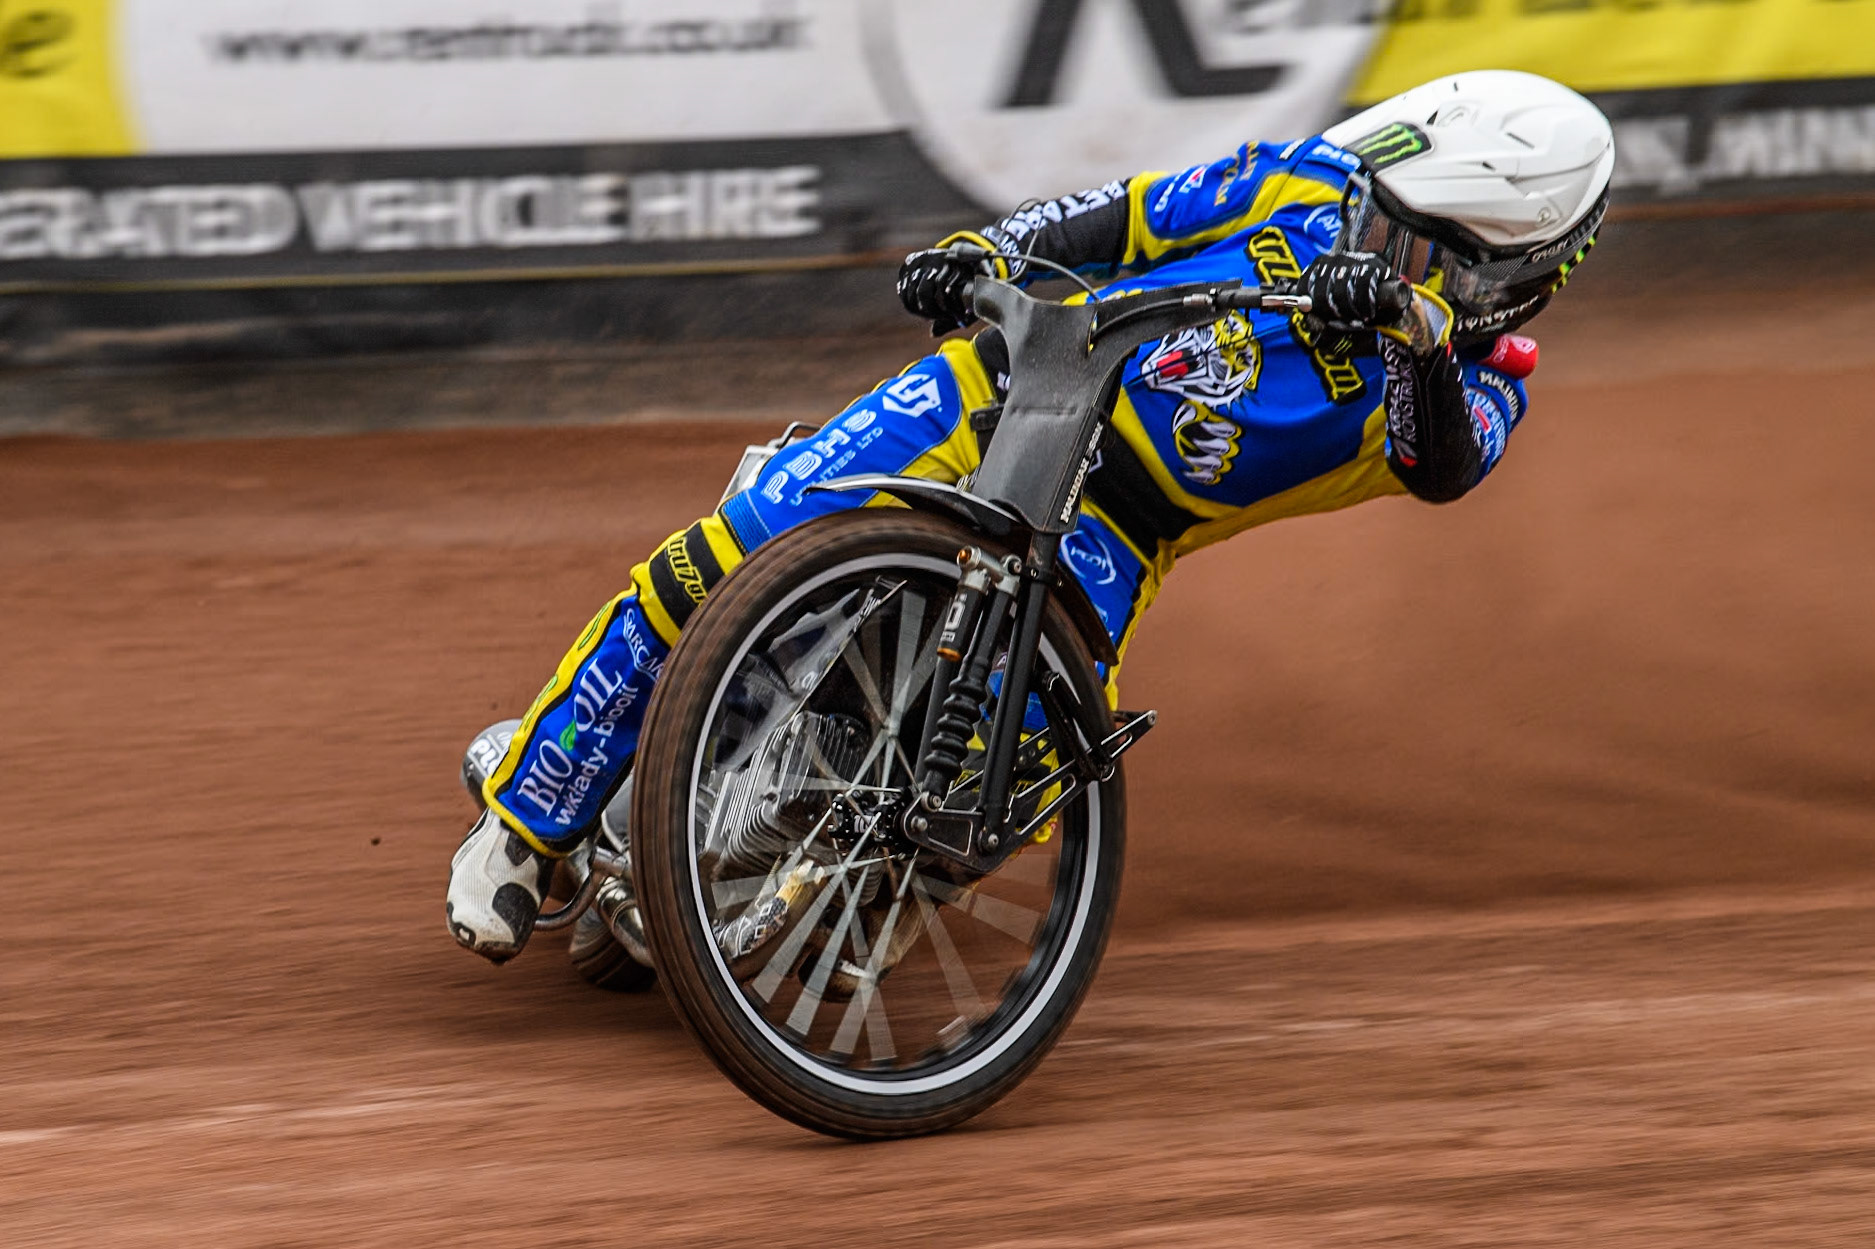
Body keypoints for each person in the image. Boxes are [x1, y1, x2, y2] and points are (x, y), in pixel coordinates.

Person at [447, 69, 1616, 964]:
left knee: (1016, 780)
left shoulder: (1485, 380)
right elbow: (1118, 216)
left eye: (1420, 249)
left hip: (1123, 527)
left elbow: (1438, 466)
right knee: (732, 551)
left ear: (1518, 275)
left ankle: (822, 885)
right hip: (1008, 395)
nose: (1378, 247)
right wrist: (984, 252)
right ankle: (524, 827)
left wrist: (1411, 330)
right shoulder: (1305, 182)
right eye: (1383, 221)